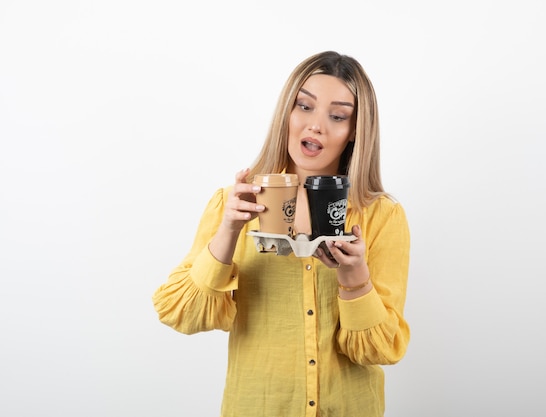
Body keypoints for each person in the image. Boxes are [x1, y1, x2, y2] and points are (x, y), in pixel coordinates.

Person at [152, 50, 410, 417]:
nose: (316, 125)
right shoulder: (234, 203)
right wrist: (228, 232)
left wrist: (355, 280)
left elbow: (380, 350)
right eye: (304, 107)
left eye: (337, 116)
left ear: (354, 132)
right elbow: (181, 314)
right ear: (286, 113)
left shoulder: (381, 216)